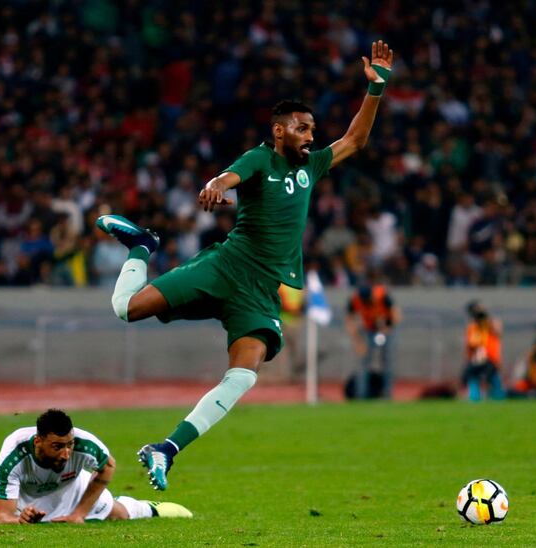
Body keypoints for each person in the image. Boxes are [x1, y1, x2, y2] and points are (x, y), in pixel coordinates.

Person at [95, 41, 394, 490]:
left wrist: (376, 89)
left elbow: (355, 140)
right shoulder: (260, 158)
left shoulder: (312, 168)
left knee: (244, 374)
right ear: (279, 131)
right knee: (127, 309)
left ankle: (166, 449)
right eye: (301, 128)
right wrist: (215, 186)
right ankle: (141, 246)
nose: (310, 135)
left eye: (312, 129)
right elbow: (226, 177)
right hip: (226, 266)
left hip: (259, 291)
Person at [0, 408, 192, 523]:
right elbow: (4, 516)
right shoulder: (15, 454)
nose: (66, 454)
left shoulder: (84, 445)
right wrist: (20, 520)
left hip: (68, 485)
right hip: (22, 494)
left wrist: (79, 514)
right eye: (57, 446)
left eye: (69, 445)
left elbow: (108, 466)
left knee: (118, 514)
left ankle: (150, 508)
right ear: (38, 441)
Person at [344, 284, 400, 399]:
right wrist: (358, 342)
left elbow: (396, 316)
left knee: (387, 361)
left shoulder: (382, 296)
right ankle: (361, 395)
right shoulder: (355, 300)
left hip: (386, 329)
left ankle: (386, 394)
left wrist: (385, 330)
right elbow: (349, 321)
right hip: (368, 330)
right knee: (363, 362)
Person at [462, 300, 505, 401]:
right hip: (477, 360)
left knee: (493, 380)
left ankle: (496, 398)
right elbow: (471, 344)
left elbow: (498, 332)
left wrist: (487, 323)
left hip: (492, 358)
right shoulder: (472, 327)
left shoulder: (491, 323)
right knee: (473, 378)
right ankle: (474, 398)